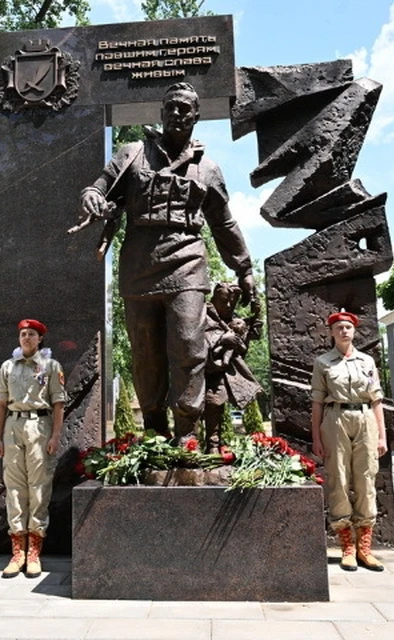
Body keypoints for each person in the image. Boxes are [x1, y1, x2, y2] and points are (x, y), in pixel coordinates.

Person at [80, 82, 254, 440]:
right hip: (139, 265)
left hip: (187, 263)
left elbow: (223, 223)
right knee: (145, 353)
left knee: (189, 343)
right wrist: (93, 198)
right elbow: (96, 187)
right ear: (161, 113)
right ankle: (156, 432)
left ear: (197, 116)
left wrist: (245, 268)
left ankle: (188, 432)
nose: (177, 114)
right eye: (171, 107)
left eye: (184, 109)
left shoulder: (208, 169)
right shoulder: (132, 154)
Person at [310, 309, 387, 572]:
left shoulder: (367, 361)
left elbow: (377, 400)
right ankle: (347, 547)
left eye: (348, 328)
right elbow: (317, 403)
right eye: (339, 328)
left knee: (366, 479)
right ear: (331, 332)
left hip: (365, 418)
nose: (344, 331)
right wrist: (317, 438)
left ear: (354, 331)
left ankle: (365, 548)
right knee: (339, 479)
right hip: (335, 418)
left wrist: (381, 435)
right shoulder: (323, 363)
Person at [0, 318, 66, 579]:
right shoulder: (7, 367)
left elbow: (58, 404)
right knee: (14, 488)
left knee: (38, 487)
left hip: (39, 427)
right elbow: (1, 404)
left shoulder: (50, 366)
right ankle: (17, 552)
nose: (26, 338)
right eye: (23, 334)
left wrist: (56, 435)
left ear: (40, 339)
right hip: (12, 428)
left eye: (31, 334)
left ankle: (34, 551)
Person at [203, 282, 262, 451]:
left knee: (224, 406)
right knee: (209, 405)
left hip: (226, 373)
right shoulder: (203, 316)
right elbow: (194, 341)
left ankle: (224, 444)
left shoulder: (232, 319)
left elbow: (250, 332)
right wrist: (221, 340)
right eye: (223, 301)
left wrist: (256, 314)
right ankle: (204, 445)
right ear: (214, 298)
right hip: (206, 370)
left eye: (232, 302)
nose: (228, 305)